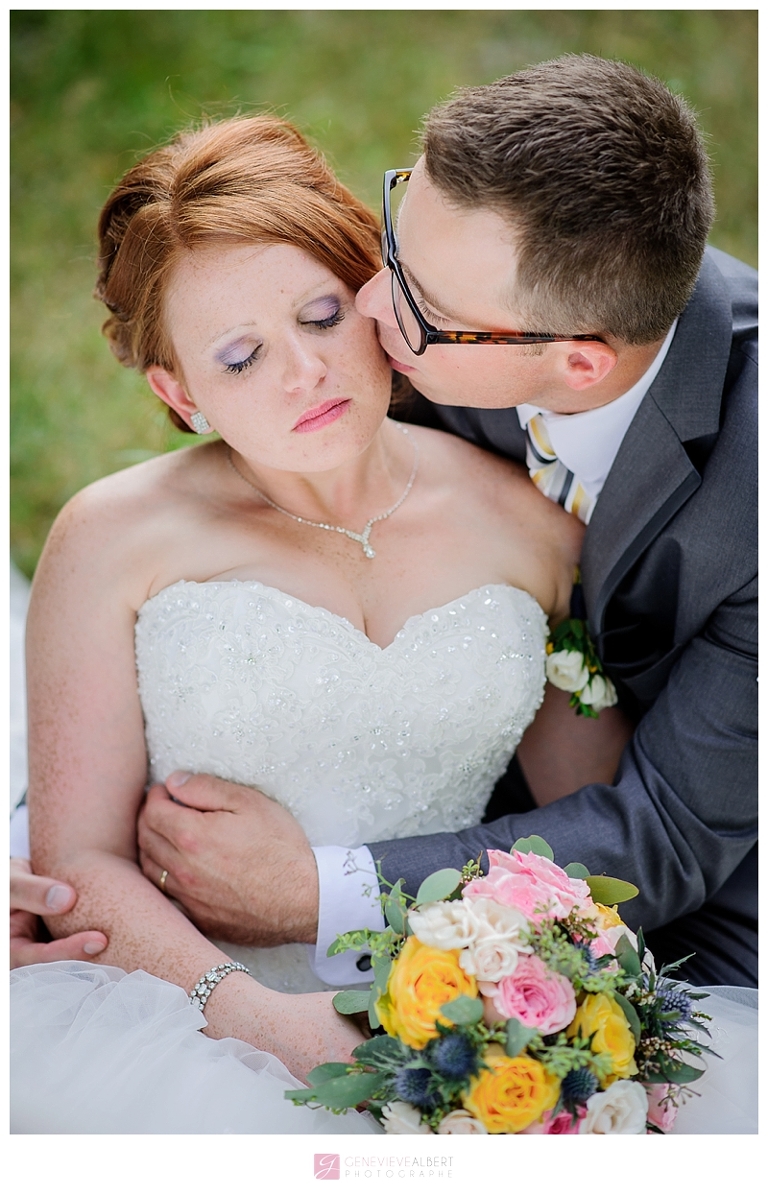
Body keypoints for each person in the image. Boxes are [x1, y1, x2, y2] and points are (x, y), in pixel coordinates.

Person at [11, 110, 607, 1133]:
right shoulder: (113, 540)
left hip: (467, 1007)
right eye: (240, 357)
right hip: (182, 1015)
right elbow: (81, 864)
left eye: (322, 317)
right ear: (178, 391)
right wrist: (260, 1021)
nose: (304, 373)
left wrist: (497, 1001)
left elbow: (588, 845)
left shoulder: (532, 528)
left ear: (373, 295)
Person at [133, 55, 757, 993]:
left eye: (420, 308)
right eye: (396, 231)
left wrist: (319, 891)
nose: (371, 307)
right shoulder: (474, 276)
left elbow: (664, 840)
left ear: (579, 366)